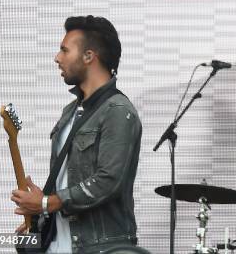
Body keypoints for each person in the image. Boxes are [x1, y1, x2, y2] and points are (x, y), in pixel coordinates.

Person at [11, 15, 143, 253]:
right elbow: (70, 179)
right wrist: (42, 212)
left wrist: (46, 203)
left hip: (98, 246)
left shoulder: (118, 111)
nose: (57, 58)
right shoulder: (70, 112)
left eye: (64, 50)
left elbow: (107, 181)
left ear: (89, 56)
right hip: (58, 244)